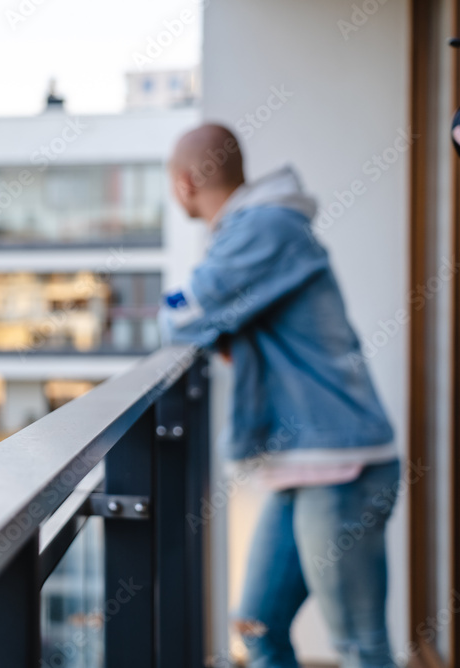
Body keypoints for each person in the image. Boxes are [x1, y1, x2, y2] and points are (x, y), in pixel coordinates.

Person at [159, 124, 400, 668]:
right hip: (303, 468)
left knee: (361, 647)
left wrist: (194, 314)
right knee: (258, 627)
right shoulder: (252, 230)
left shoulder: (263, 228)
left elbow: (182, 311)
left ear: (186, 182)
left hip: (343, 470)